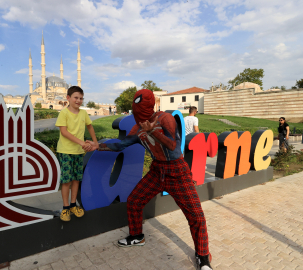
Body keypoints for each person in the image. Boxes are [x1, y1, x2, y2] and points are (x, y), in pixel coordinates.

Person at [87, 89, 212, 270]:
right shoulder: (137, 128)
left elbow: (174, 146)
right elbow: (121, 144)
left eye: (141, 111)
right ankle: (137, 236)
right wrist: (99, 145)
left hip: (177, 171)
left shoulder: (165, 119)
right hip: (157, 170)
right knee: (135, 200)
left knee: (196, 215)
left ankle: (203, 256)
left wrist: (153, 131)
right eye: (136, 111)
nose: (139, 115)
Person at [55, 86, 99, 222]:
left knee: (76, 179)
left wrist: (95, 143)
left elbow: (90, 126)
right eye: (76, 97)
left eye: (81, 98)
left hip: (79, 152)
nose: (78, 100)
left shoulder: (83, 113)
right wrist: (81, 142)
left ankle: (74, 205)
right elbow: (64, 132)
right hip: (66, 151)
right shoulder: (64, 113)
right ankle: (65, 207)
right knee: (66, 181)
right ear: (68, 98)